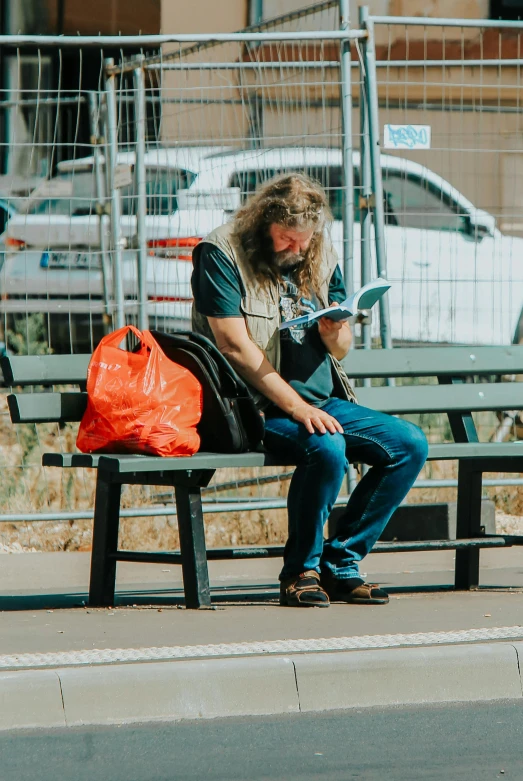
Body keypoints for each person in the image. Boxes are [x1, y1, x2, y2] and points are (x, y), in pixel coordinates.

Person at [191, 173, 428, 608]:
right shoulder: (221, 251)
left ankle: (342, 565)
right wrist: (297, 409)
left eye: (304, 240)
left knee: (409, 444)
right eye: (286, 238)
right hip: (252, 406)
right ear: (264, 222)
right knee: (328, 446)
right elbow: (233, 345)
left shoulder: (318, 252)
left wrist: (335, 329)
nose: (296, 250)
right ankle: (300, 571)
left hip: (321, 400)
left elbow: (342, 348)